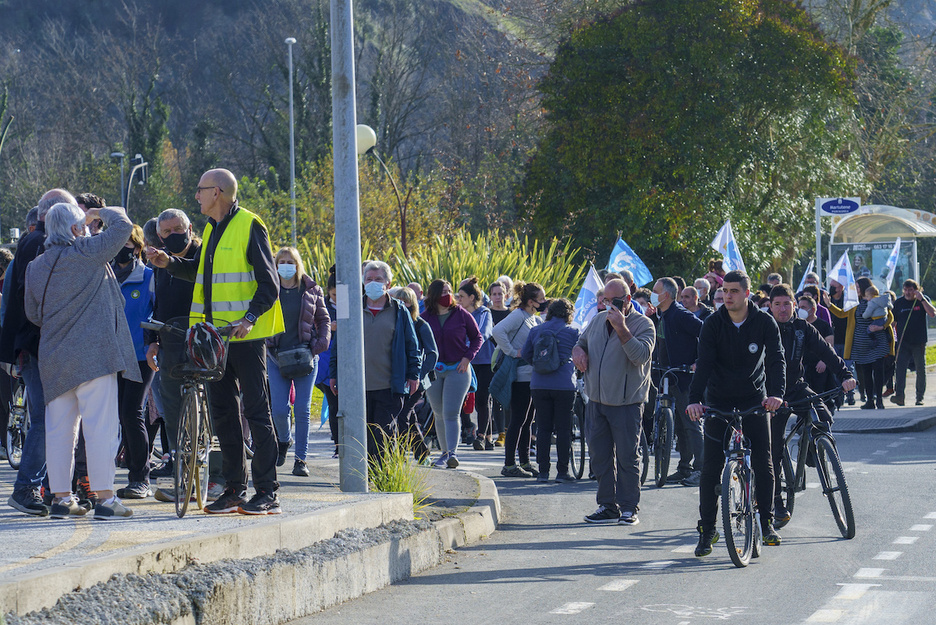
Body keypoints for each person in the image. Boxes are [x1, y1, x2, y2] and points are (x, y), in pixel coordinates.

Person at [149, 169, 285, 515]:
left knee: (256, 412)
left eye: (200, 190)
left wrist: (249, 318)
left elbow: (270, 284)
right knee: (223, 414)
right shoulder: (211, 228)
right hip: (213, 340)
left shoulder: (249, 225)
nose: (196, 196)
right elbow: (200, 271)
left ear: (219, 192)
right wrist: (170, 263)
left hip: (246, 337)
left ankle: (267, 491)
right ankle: (235, 489)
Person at [25, 202, 141, 519]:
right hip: (94, 357)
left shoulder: (35, 267)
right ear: (77, 229)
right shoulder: (88, 252)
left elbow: (33, 314)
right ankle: (105, 499)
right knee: (101, 429)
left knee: (60, 431)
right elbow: (123, 226)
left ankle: (61, 498)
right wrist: (101, 212)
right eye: (84, 225)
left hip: (53, 358)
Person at [687, 270, 785, 555]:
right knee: (711, 467)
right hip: (718, 399)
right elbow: (703, 364)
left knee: (765, 461)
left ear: (746, 293)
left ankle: (767, 523)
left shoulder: (764, 321)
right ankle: (707, 530)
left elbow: (777, 360)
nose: (727, 296)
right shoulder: (713, 324)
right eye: (724, 291)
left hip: (755, 398)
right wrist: (695, 400)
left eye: (733, 291)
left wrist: (776, 394)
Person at [3, 188, 76, 516]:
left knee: (51, 418)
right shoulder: (38, 244)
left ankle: (45, 487)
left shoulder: (34, 242)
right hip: (38, 345)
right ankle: (26, 488)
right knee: (47, 419)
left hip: (37, 344)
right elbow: (34, 302)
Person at [767, 284, 856, 523]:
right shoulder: (764, 327)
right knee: (772, 449)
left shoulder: (802, 328)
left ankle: (813, 450)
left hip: (796, 387)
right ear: (770, 306)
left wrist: (846, 375)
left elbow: (826, 352)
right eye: (778, 304)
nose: (783, 309)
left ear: (795, 305)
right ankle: (776, 503)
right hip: (771, 394)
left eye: (787, 304)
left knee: (824, 416)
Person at [572, 279, 654, 524]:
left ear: (627, 300)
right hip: (596, 400)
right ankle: (607, 506)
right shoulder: (597, 321)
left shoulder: (643, 324)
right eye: (605, 301)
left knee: (627, 457)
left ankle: (629, 507)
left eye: (614, 301)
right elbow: (581, 342)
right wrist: (577, 351)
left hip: (627, 402)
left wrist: (621, 328)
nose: (608, 306)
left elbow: (640, 356)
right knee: (599, 456)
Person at [144, 208, 212, 501]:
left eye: (177, 229)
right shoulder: (159, 262)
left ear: (190, 227)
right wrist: (152, 341)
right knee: (173, 415)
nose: (173, 236)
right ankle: (182, 480)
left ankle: (218, 479)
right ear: (159, 235)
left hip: (205, 344)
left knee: (215, 410)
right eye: (166, 232)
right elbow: (156, 304)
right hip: (170, 344)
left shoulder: (205, 254)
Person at [331, 261, 421, 463]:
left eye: (378, 279)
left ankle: (384, 479)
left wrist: (413, 375)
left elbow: (411, 345)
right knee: (361, 438)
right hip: (357, 388)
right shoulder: (352, 309)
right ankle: (366, 481)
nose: (373, 283)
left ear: (388, 283)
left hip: (389, 386)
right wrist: (334, 373)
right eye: (368, 279)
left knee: (382, 436)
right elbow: (339, 344)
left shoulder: (399, 311)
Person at [266, 247, 331, 477]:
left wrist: (318, 346)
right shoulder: (268, 288)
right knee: (279, 411)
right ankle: (285, 440)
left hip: (305, 356)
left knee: (302, 410)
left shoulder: (311, 290)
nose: (285, 266)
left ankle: (301, 460)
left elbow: (323, 320)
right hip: (275, 357)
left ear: (297, 264)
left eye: (290, 261)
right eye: (281, 261)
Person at [113, 224, 156, 500]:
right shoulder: (105, 275)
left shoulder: (150, 276)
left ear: (138, 248)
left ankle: (141, 478)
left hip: (141, 355)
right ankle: (133, 476)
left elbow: (157, 312)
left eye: (127, 244)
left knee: (132, 412)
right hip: (112, 355)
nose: (121, 250)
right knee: (122, 415)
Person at [421, 279, 482, 468]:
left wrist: (467, 358)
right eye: (442, 292)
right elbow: (415, 343)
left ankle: (451, 453)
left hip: (458, 369)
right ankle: (444, 453)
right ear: (433, 296)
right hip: (433, 371)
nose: (447, 295)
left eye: (449, 291)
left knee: (451, 412)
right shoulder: (425, 317)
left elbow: (477, 338)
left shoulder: (461, 314)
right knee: (438, 413)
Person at [649, 277, 703, 486]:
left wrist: (698, 362)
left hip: (684, 378)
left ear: (667, 295)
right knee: (679, 425)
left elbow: (706, 332)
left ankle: (701, 469)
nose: (653, 294)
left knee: (691, 424)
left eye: (656, 291)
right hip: (667, 376)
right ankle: (684, 467)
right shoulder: (662, 314)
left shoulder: (680, 314)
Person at [521, 298, 580, 482]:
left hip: (539, 384)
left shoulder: (536, 330)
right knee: (564, 429)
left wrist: (540, 366)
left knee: (543, 428)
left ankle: (543, 471)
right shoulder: (573, 332)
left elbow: (525, 354)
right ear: (569, 315)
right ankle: (562, 472)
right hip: (564, 384)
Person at [493, 281, 546, 477]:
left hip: (531, 376)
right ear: (531, 301)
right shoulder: (518, 315)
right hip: (520, 377)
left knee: (527, 420)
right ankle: (509, 464)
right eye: (541, 299)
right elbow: (497, 331)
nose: (544, 301)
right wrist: (513, 352)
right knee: (518, 419)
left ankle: (524, 461)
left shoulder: (533, 318)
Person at [827, 277, 893, 409]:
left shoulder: (876, 299)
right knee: (866, 372)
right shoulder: (854, 304)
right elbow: (841, 314)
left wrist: (881, 326)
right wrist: (829, 305)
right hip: (860, 344)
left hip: (877, 342)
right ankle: (870, 400)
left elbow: (889, 316)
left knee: (878, 371)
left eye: (858, 287)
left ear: (864, 288)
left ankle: (879, 399)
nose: (856, 290)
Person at [391, 286, 438, 463]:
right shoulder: (393, 324)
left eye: (406, 301)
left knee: (403, 415)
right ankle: (422, 453)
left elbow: (432, 354)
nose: (402, 304)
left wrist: (417, 374)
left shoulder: (420, 325)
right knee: (408, 417)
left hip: (418, 381)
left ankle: (400, 455)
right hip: (397, 379)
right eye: (399, 301)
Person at [457, 277, 494, 450]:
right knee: (463, 397)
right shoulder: (458, 313)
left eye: (461, 296)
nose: (458, 300)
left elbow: (482, 333)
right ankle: (471, 429)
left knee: (482, 398)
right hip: (465, 361)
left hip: (484, 361)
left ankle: (481, 435)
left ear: (472, 298)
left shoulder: (484, 312)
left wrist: (465, 347)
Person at [891, 279, 936, 406]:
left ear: (916, 290)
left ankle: (919, 397)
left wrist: (921, 299)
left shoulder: (921, 300)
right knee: (900, 370)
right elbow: (893, 322)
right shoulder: (899, 303)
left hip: (918, 342)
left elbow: (932, 313)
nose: (908, 293)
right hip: (903, 342)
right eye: (905, 290)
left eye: (911, 290)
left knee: (920, 370)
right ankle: (899, 396)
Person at [316, 270, 340, 457]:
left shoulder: (354, 303)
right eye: (334, 295)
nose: (337, 299)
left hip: (347, 361)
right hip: (327, 362)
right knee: (334, 404)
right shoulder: (322, 306)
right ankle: (339, 444)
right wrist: (328, 328)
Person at [488, 280, 510, 447]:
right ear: (490, 296)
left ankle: (509, 430)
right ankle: (500, 432)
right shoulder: (487, 314)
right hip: (490, 360)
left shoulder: (511, 315)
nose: (497, 297)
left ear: (506, 295)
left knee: (508, 395)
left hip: (507, 358)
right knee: (494, 396)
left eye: (500, 294)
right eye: (494, 294)